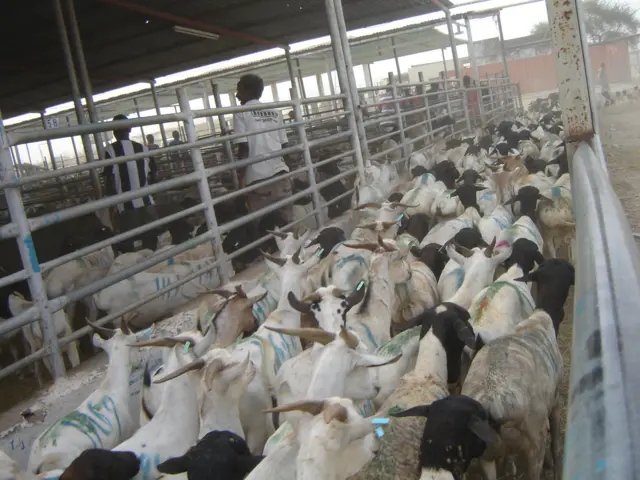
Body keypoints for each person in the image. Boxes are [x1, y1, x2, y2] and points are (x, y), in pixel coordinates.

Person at [233, 73, 292, 233]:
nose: (237, 95)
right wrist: (290, 174)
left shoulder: (241, 112)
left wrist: (240, 183)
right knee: (287, 228)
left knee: (263, 230)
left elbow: (243, 149)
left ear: (247, 90)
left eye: (239, 90)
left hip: (258, 181)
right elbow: (285, 146)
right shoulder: (275, 112)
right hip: (281, 176)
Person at [103, 113, 158, 251]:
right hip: (147, 203)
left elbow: (109, 181)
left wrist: (112, 205)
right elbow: (154, 176)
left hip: (126, 206)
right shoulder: (144, 149)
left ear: (113, 131)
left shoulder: (109, 151)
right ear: (130, 129)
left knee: (128, 242)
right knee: (150, 239)